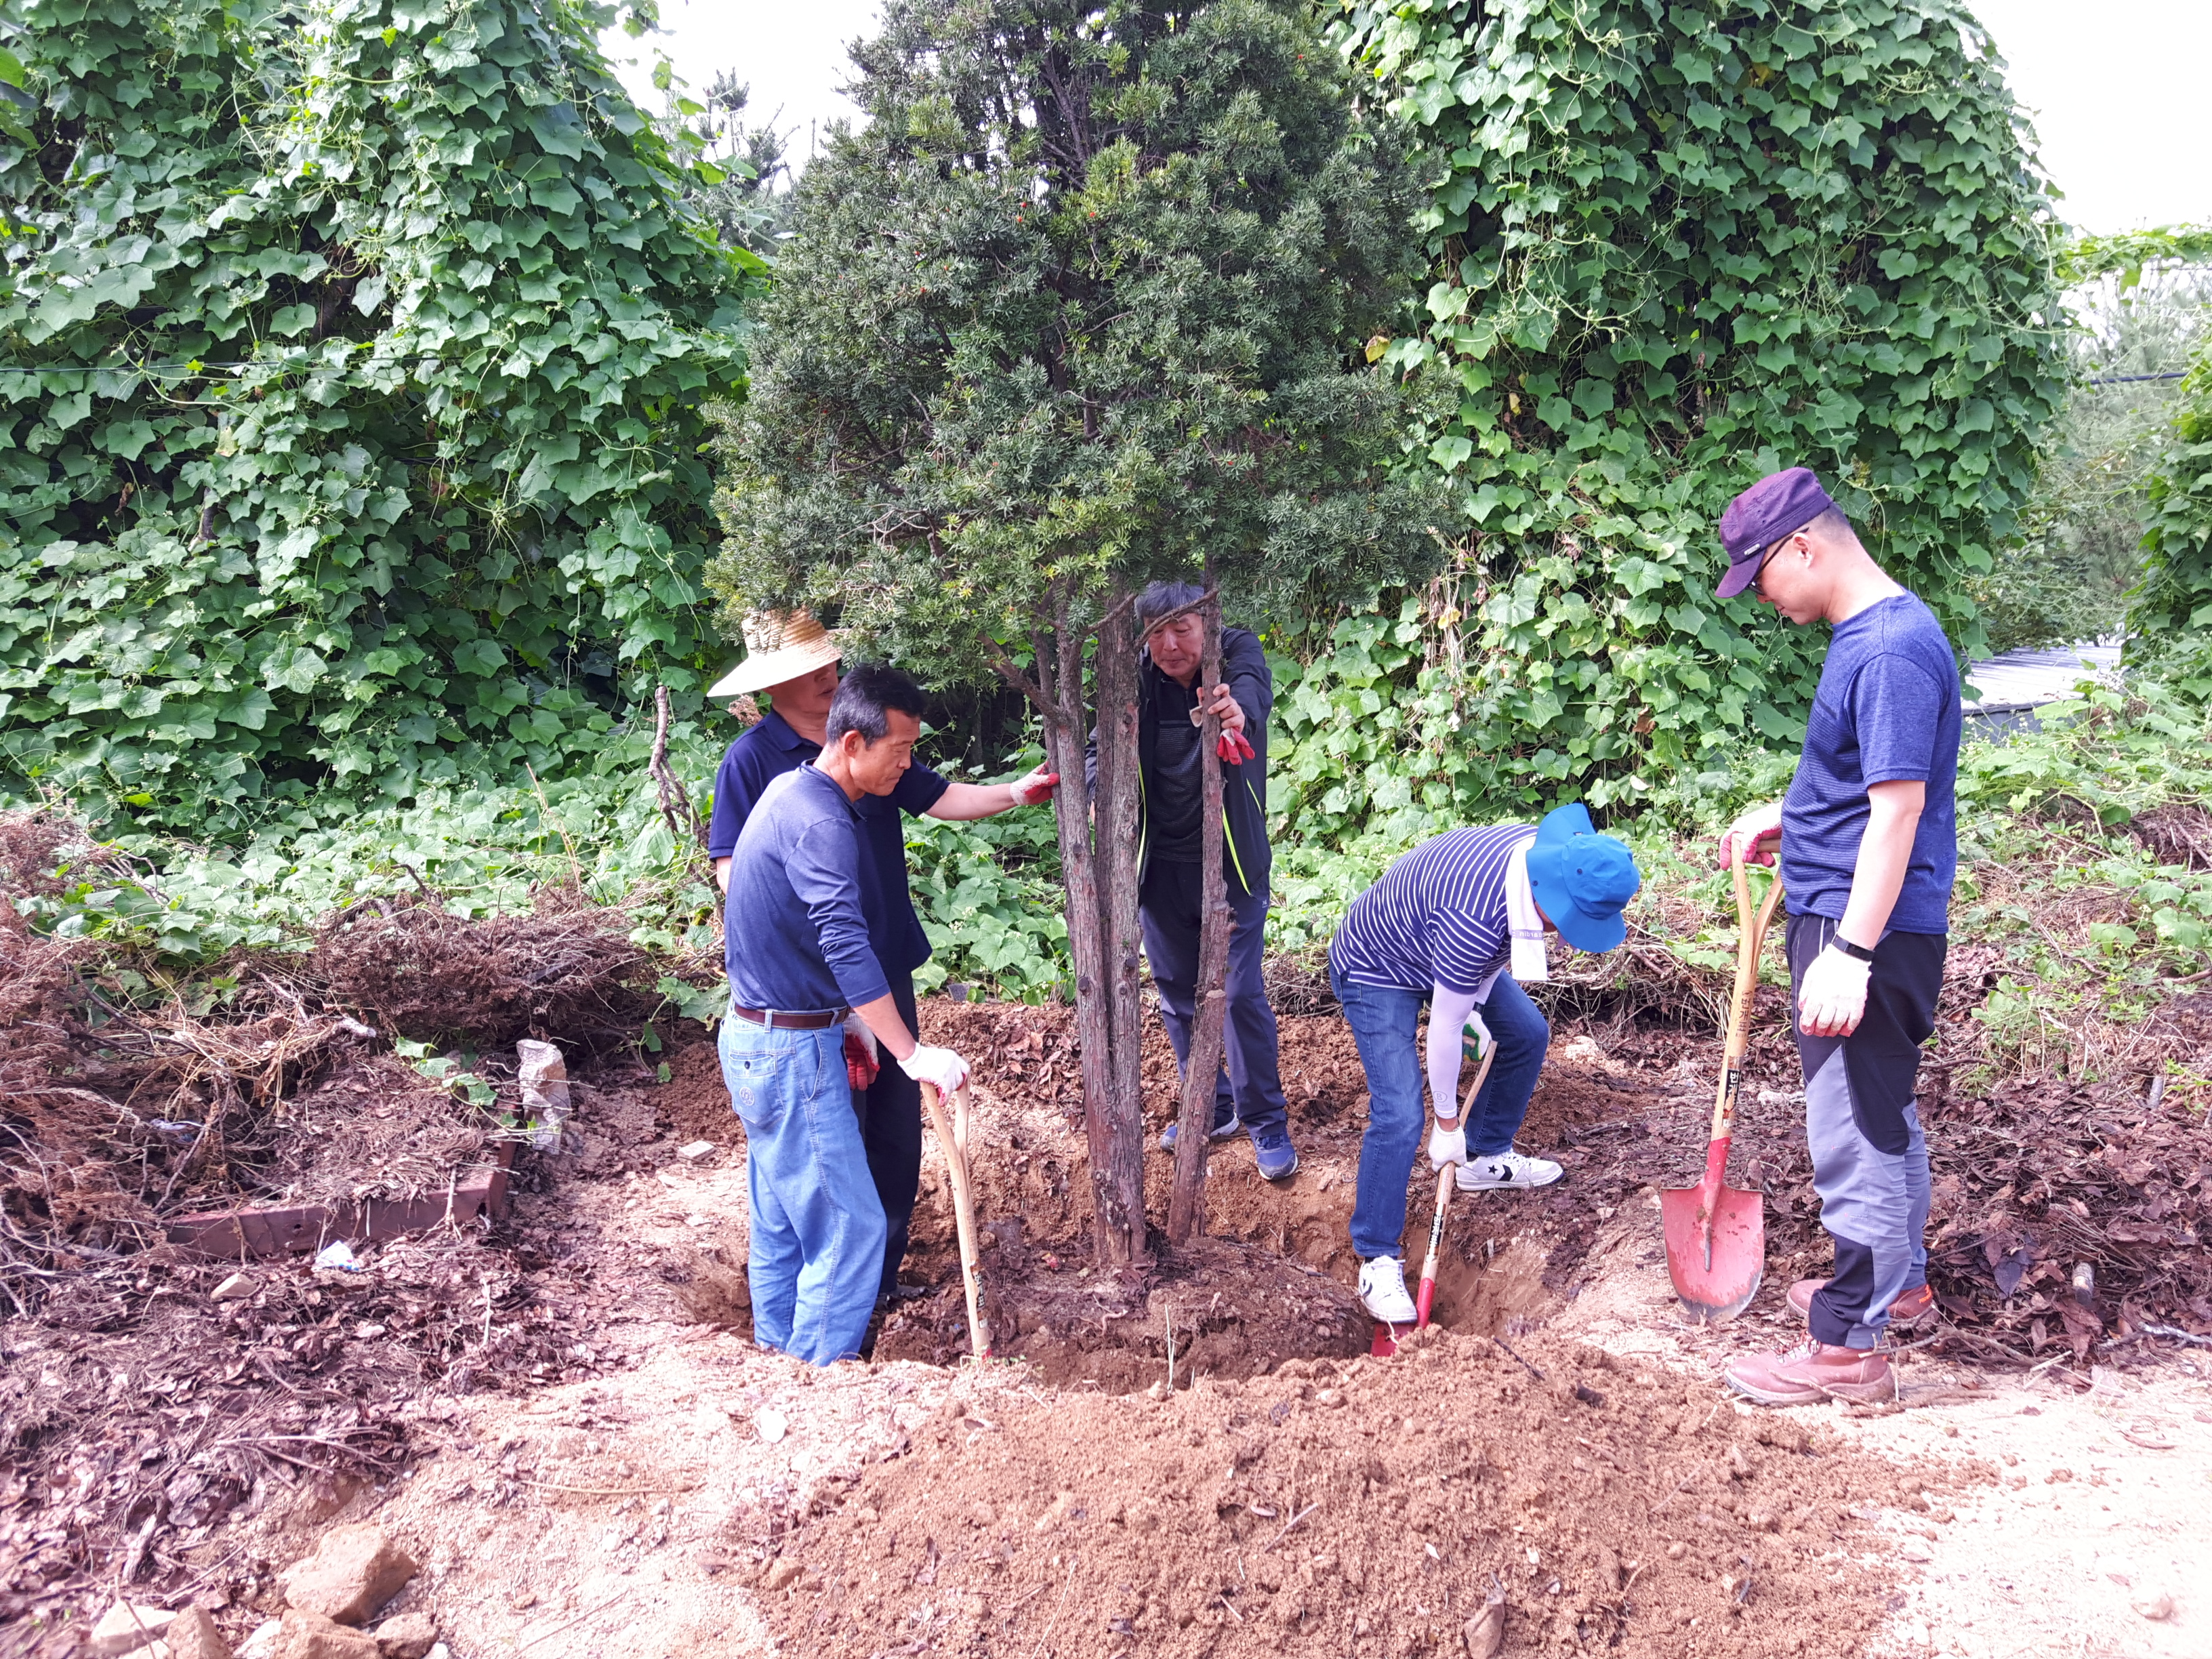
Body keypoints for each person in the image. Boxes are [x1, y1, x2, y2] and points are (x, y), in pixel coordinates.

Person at [704, 613, 1057, 1302]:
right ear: (776, 686)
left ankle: (877, 1280)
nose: (828, 682)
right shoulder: (755, 762)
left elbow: (935, 794)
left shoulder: (881, 749)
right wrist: (808, 959)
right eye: (813, 675)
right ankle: (832, 1299)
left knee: (896, 1130)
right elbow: (736, 869)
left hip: (879, 968)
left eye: (831, 669)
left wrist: (1016, 793)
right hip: (811, 991)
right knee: (830, 1137)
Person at [1708, 468, 1959, 1408]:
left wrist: (1849, 955)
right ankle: (1900, 1291)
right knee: (1880, 1111)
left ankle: (1851, 1345)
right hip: (1859, 910)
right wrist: (1793, 815)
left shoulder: (1889, 650)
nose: (1763, 602)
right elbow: (1867, 784)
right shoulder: (1878, 636)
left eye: (1760, 579)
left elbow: (1898, 814)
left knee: (1854, 1132)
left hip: (1865, 928)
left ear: (1802, 549)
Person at [720, 666, 977, 1365]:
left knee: (781, 1221)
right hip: (788, 1052)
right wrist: (909, 1051)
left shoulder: (792, 793)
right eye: (900, 749)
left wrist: (853, 1021)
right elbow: (844, 939)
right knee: (853, 1224)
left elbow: (800, 939)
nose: (907, 764)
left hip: (759, 1034)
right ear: (855, 742)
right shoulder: (822, 820)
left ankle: (776, 1359)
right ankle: (814, 1377)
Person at [1331, 804, 1641, 1325]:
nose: (1568, 937)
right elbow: (1445, 1029)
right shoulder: (1476, 918)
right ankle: (1377, 1256)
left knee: (1526, 1033)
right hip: (1377, 964)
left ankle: (1482, 1159)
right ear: (1550, 894)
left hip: (1440, 946)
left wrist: (1472, 1002)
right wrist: (1446, 1125)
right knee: (1402, 1112)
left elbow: (1468, 990)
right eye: (1570, 921)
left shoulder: (1545, 860)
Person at [1096, 581, 1297, 1182]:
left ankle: (1268, 1122)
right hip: (1161, 869)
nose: (1169, 644)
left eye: (1182, 628)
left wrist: (1240, 711)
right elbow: (1094, 745)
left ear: (1209, 624)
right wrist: (1090, 787)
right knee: (1177, 993)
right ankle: (1213, 1107)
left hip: (1232, 867)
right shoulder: (1135, 678)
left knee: (1237, 994)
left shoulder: (1237, 654)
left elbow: (1253, 694)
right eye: (1157, 631)